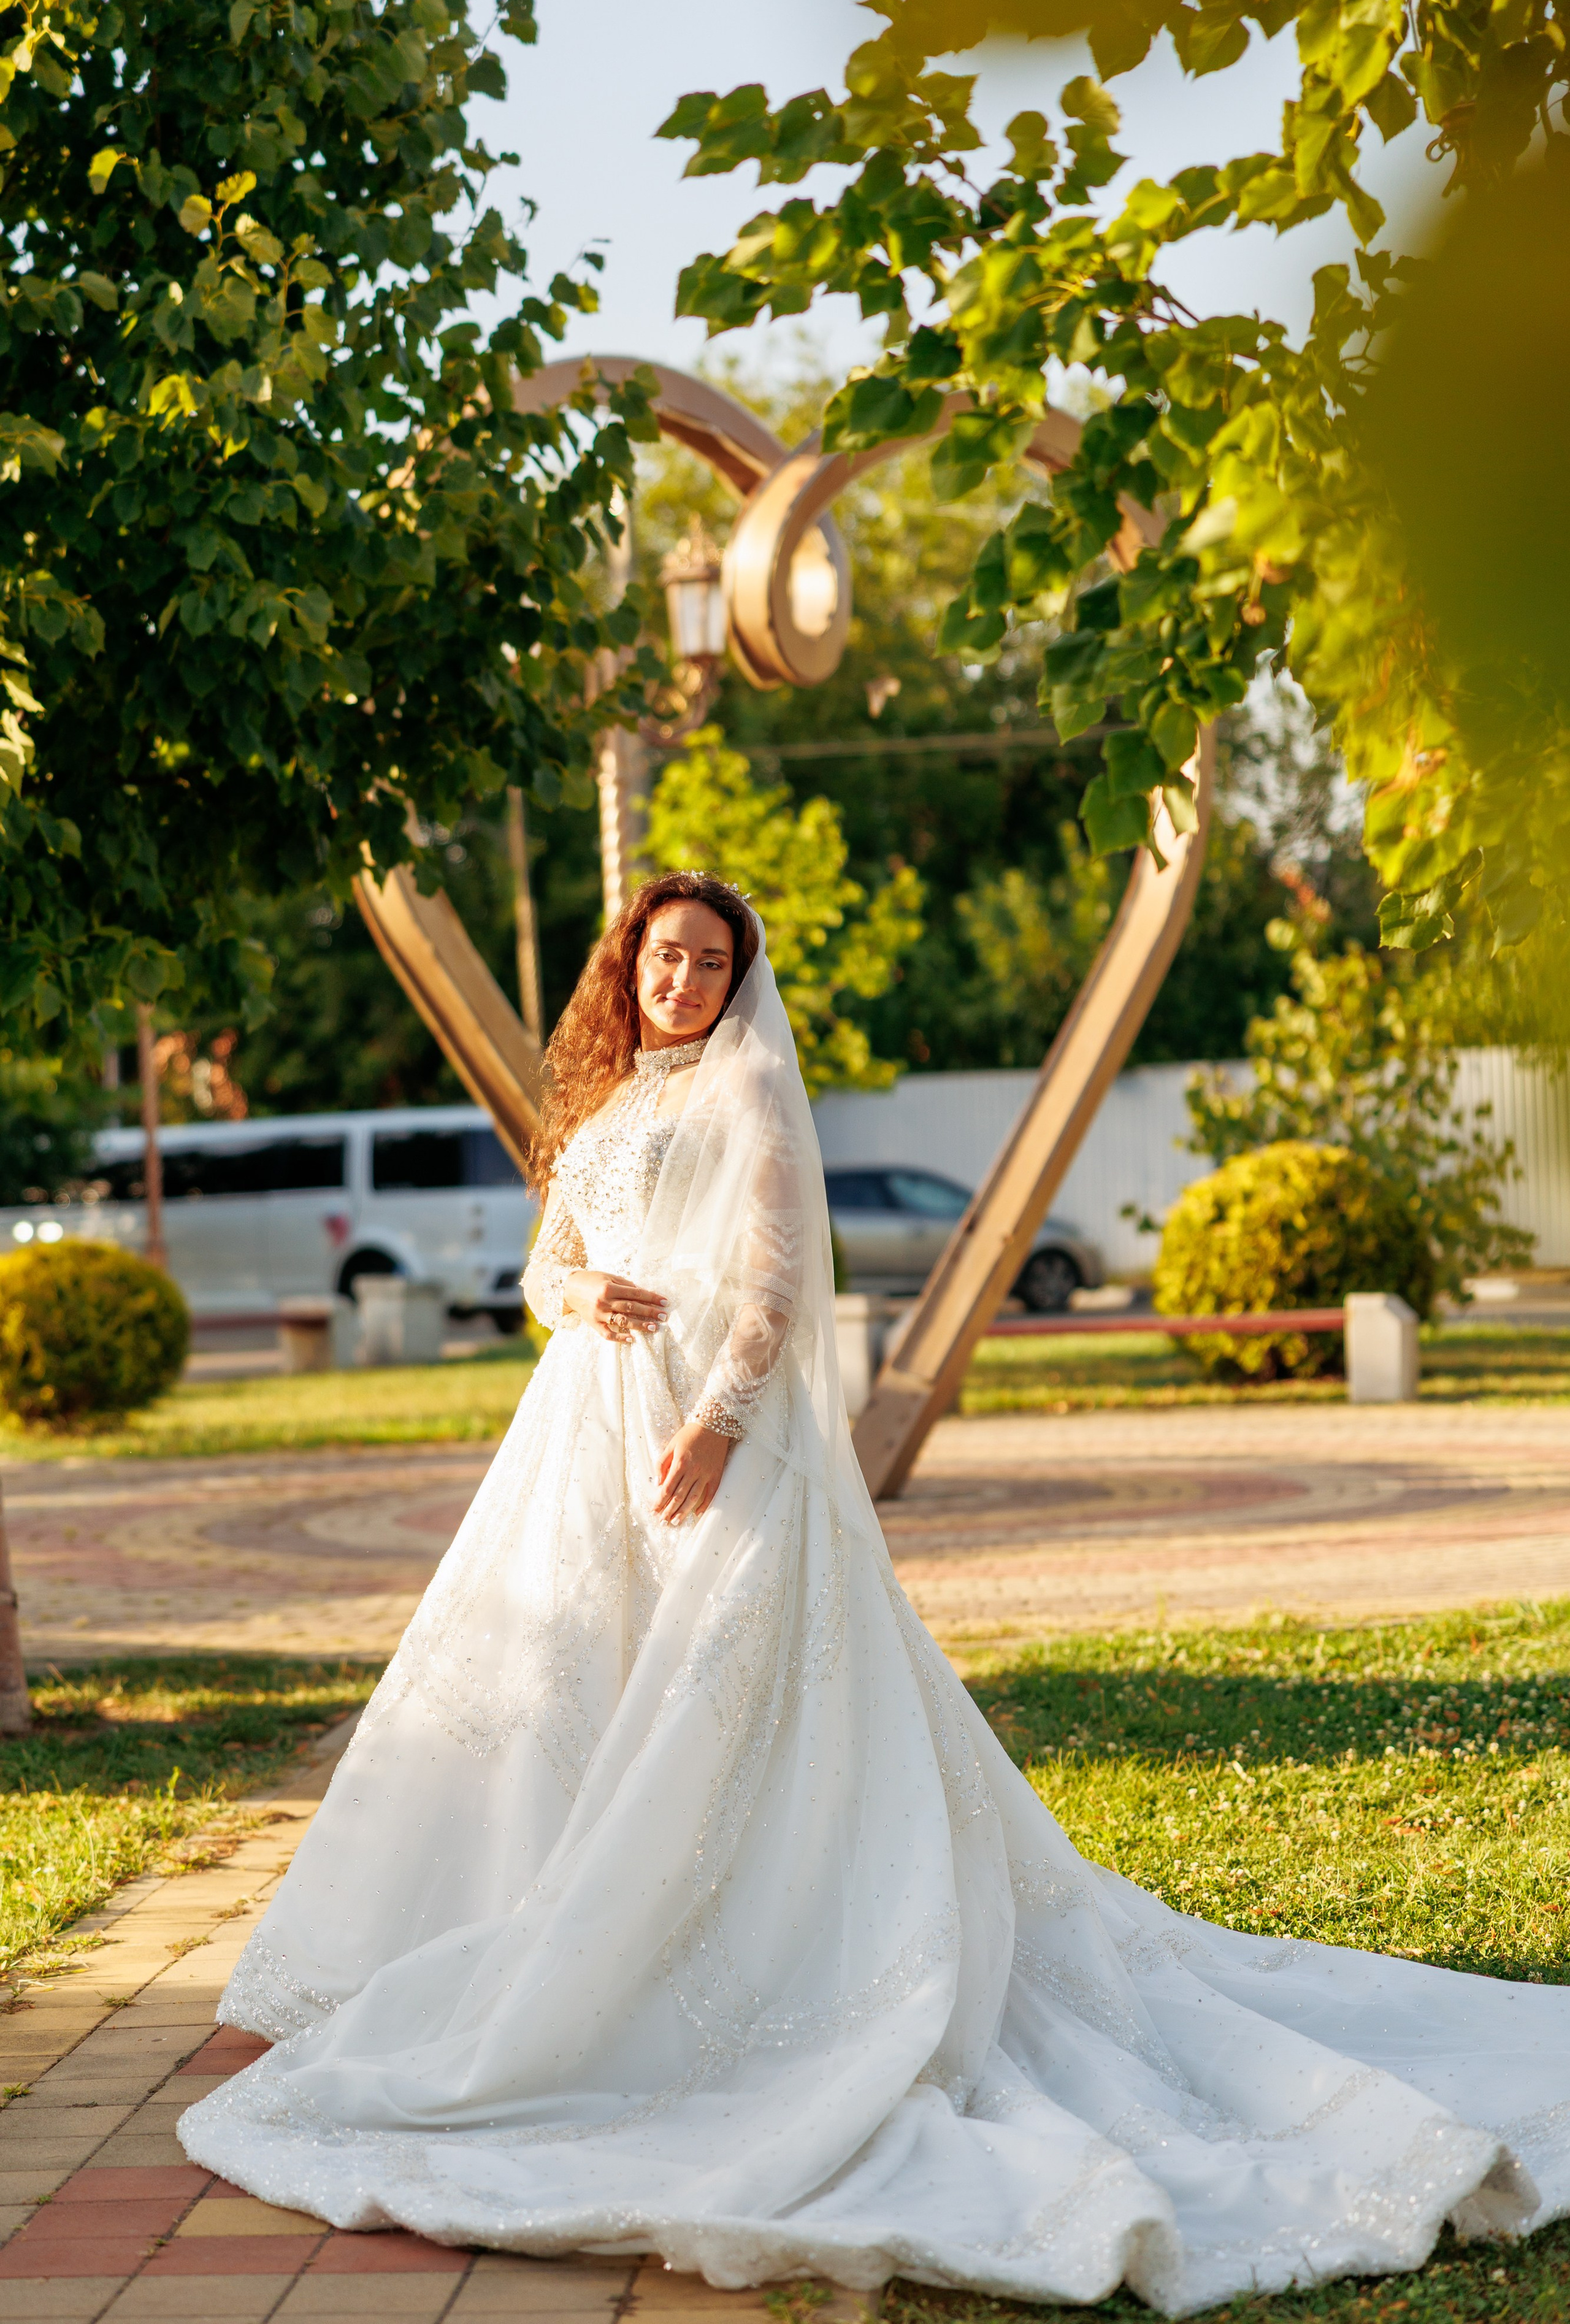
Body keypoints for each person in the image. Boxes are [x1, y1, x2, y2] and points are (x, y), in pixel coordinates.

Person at [180, 870, 1570, 2316]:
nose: (683, 981)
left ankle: (703, 1966)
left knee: (711, 1699)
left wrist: (713, 1425)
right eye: (663, 956)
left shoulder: (747, 1093)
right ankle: (529, 1929)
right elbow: (549, 1256)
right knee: (565, 1680)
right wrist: (572, 1300)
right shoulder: (599, 1097)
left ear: (735, 976)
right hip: (579, 1433)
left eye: (710, 961)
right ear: (628, 964)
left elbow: (776, 1279)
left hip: (705, 1437)